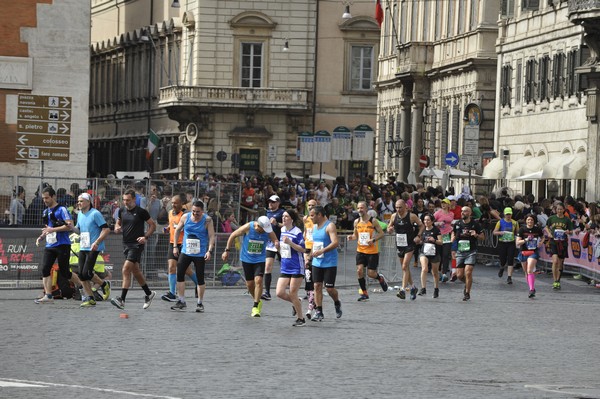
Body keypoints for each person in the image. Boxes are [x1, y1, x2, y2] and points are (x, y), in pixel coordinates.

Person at [221, 216, 279, 317]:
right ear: (258, 226)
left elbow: (275, 240)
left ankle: (255, 306)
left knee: (258, 280)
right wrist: (227, 251)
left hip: (260, 259)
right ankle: (257, 299)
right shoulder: (249, 227)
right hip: (247, 259)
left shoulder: (268, 230)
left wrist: (277, 244)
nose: (264, 232)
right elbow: (233, 235)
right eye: (263, 230)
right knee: (250, 284)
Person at [110, 189, 157, 310]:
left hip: (137, 244)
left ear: (134, 200)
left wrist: (145, 237)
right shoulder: (121, 210)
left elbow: (153, 225)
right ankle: (149, 293)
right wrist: (117, 227)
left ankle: (122, 300)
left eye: (128, 200)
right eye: (124, 200)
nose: (125, 202)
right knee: (135, 271)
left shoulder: (141, 212)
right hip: (126, 244)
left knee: (126, 269)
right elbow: (118, 222)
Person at [34, 187, 82, 303]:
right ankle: (48, 296)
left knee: (65, 272)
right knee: (45, 269)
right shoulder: (45, 212)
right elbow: (47, 229)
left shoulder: (62, 209)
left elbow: (69, 225)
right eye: (43, 198)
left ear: (53, 196)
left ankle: (83, 286)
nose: (45, 200)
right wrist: (41, 237)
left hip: (62, 244)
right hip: (50, 245)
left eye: (47, 198)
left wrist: (52, 230)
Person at [170, 200, 216, 312]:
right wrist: (175, 246)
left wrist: (209, 251)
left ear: (203, 211)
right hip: (186, 251)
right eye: (194, 211)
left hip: (200, 253)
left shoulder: (207, 220)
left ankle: (200, 303)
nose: (195, 214)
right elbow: (177, 231)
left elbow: (211, 236)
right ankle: (181, 301)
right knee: (179, 274)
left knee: (200, 278)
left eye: (198, 212)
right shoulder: (185, 217)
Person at [72, 193, 112, 307]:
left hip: (94, 247)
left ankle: (103, 285)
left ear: (88, 202)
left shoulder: (95, 214)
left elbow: (106, 229)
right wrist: (70, 227)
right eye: (78, 201)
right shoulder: (80, 214)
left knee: (86, 273)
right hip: (83, 246)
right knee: (81, 274)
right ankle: (90, 298)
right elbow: (79, 230)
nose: (79, 203)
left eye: (81, 201)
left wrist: (97, 242)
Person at [161, 195, 199, 302]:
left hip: (183, 244)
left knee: (187, 270)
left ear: (181, 203)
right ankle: (172, 293)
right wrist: (167, 228)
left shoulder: (186, 215)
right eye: (172, 203)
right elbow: (172, 224)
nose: (173, 205)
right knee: (171, 267)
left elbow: (190, 226)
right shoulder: (170, 213)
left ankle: (198, 284)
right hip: (172, 243)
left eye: (176, 203)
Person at [347, 201, 387, 301]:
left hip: (372, 252)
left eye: (362, 208)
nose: (360, 210)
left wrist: (373, 240)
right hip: (360, 250)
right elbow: (355, 235)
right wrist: (351, 237)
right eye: (358, 208)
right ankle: (364, 293)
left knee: (371, 274)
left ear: (366, 209)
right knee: (359, 271)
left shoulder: (373, 221)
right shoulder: (356, 222)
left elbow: (382, 234)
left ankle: (380, 278)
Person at [309, 205, 342, 321]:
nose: (310, 218)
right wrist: (311, 254)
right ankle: (319, 311)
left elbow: (335, 243)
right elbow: (315, 243)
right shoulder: (314, 227)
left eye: (312, 215)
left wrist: (322, 250)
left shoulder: (330, 226)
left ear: (319, 215)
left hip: (329, 262)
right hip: (317, 262)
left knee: (329, 289)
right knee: (317, 286)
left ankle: (337, 302)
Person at [387, 199, 424, 300]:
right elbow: (389, 226)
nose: (398, 209)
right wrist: (389, 229)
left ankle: (403, 289)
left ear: (405, 206)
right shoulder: (394, 216)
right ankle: (413, 287)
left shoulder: (412, 216)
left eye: (400, 207)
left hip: (410, 244)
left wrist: (419, 236)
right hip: (399, 244)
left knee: (404, 266)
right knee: (405, 268)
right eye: (397, 207)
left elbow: (421, 226)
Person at [275, 209, 307, 326]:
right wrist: (277, 247)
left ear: (291, 219)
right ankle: (296, 302)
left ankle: (301, 318)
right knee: (279, 292)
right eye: (283, 216)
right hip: (285, 266)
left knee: (293, 293)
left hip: (296, 266)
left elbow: (303, 249)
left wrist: (290, 243)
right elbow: (283, 250)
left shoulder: (297, 232)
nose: (283, 218)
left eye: (286, 217)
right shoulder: (282, 230)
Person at [451, 206, 484, 301]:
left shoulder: (475, 224)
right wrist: (452, 239)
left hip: (471, 251)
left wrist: (476, 235)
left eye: (465, 211)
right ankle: (468, 283)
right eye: (462, 211)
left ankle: (467, 293)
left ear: (470, 213)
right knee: (459, 275)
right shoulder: (457, 223)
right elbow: (453, 233)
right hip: (460, 251)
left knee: (468, 272)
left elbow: (483, 237)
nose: (462, 213)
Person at [544, 202, 573, 290]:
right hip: (554, 242)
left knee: (560, 263)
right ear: (555, 210)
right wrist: (549, 233)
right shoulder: (551, 218)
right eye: (558, 209)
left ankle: (558, 280)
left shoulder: (567, 220)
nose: (559, 211)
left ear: (564, 210)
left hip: (563, 243)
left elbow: (571, 231)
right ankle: (555, 280)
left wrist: (568, 232)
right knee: (555, 261)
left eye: (561, 209)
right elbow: (546, 227)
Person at [516, 214, 545, 298]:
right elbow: (517, 242)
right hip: (523, 252)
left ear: (534, 221)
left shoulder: (537, 229)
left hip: (533, 252)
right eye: (528, 220)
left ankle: (531, 289)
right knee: (526, 272)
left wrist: (541, 242)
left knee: (529, 270)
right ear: (526, 221)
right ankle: (531, 287)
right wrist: (526, 240)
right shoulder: (522, 229)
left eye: (531, 220)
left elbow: (543, 237)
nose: (530, 221)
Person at [262, 195, 284, 300]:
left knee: (285, 266)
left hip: (281, 242)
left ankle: (286, 288)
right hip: (270, 243)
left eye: (273, 202)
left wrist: (277, 223)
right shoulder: (266, 213)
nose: (270, 203)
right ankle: (267, 292)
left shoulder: (282, 212)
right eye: (269, 201)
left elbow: (288, 226)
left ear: (278, 203)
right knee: (268, 267)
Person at [493, 207, 519, 284]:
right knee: (503, 259)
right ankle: (502, 267)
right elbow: (494, 232)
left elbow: (517, 232)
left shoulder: (515, 223)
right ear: (504, 214)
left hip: (511, 243)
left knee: (510, 259)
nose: (508, 216)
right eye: (507, 214)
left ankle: (509, 277)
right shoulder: (500, 222)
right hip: (502, 243)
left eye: (510, 214)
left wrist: (517, 237)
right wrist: (500, 233)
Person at [418, 213, 442, 298]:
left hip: (434, 253)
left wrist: (434, 240)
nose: (426, 222)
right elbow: (420, 239)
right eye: (424, 220)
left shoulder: (436, 230)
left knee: (434, 273)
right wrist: (419, 241)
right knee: (424, 268)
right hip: (424, 252)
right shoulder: (422, 230)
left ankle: (436, 289)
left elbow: (441, 242)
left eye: (428, 220)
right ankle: (423, 288)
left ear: (432, 221)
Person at [302, 199, 317, 320]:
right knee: (307, 275)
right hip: (306, 248)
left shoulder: (319, 220)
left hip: (316, 250)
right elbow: (306, 231)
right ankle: (311, 299)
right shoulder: (305, 218)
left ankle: (315, 307)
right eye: (309, 205)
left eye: (313, 206)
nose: (311, 207)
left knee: (314, 279)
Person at [434, 198, 454, 282]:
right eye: (442, 203)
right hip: (439, 235)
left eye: (445, 203)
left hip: (447, 235)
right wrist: (438, 223)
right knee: (439, 254)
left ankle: (444, 272)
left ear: (448, 205)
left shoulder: (451, 214)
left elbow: (451, 223)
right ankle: (438, 271)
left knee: (446, 254)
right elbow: (431, 222)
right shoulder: (437, 213)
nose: (443, 205)